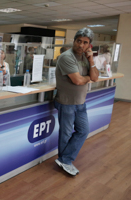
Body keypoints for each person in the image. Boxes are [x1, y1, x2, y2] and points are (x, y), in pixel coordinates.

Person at [54, 28, 99, 176]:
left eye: (85, 43)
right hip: (66, 102)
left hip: (80, 102)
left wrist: (91, 60)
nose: (81, 45)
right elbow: (78, 80)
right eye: (78, 41)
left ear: (89, 45)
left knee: (83, 130)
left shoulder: (86, 58)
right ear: (74, 41)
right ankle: (65, 161)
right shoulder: (66, 57)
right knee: (66, 134)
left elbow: (96, 77)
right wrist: (87, 78)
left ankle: (64, 159)